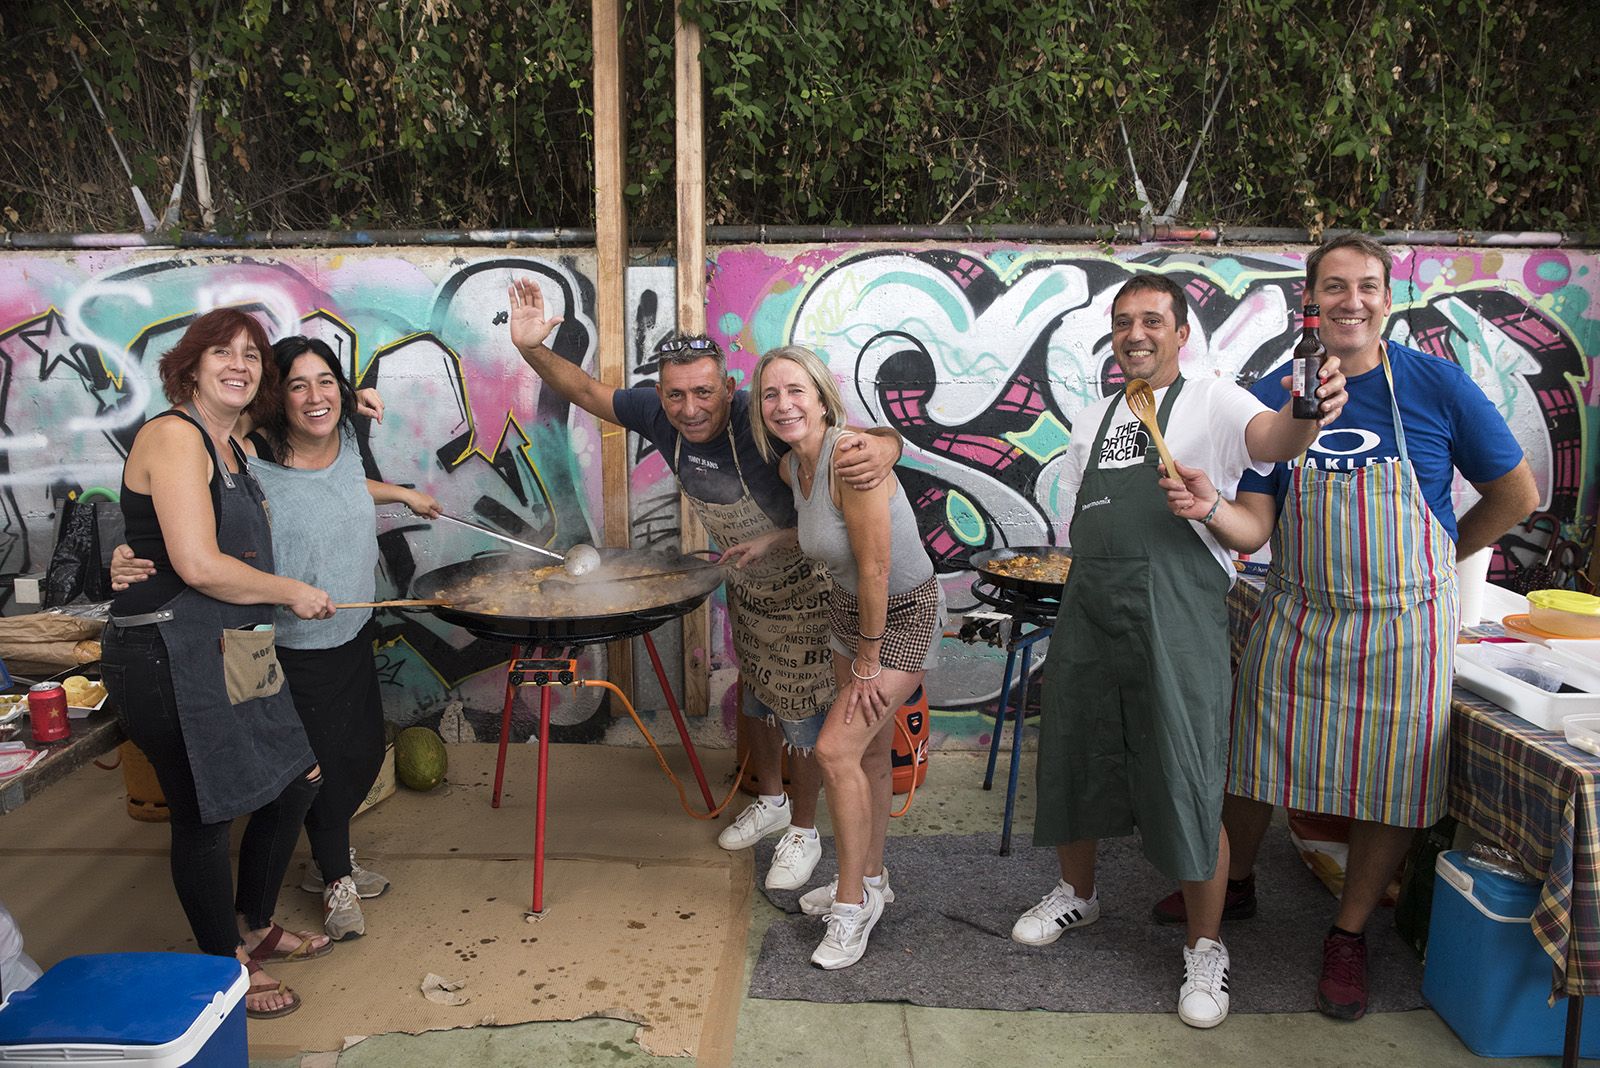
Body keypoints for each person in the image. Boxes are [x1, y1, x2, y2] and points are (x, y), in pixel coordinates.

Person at [1153, 234, 1538, 1020]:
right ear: (1311, 302)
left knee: (1392, 785)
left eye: (1366, 286)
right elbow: (1256, 522)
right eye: (1334, 287)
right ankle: (1234, 884)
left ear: (1387, 299)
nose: (1351, 301)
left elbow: (1516, 496)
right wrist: (1208, 508)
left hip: (1408, 624)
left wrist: (1440, 551)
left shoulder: (1437, 385)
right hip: (1300, 609)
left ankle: (1350, 933)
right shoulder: (1273, 390)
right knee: (1249, 761)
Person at [1012, 272, 1348, 1030]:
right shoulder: (1091, 418)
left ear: (1181, 332)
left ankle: (1205, 944)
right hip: (1093, 606)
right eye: (1124, 321)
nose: (1136, 333)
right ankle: (1078, 895)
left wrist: (1310, 410)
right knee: (1076, 749)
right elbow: (1090, 518)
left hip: (1179, 611)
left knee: (1190, 772)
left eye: (1152, 321)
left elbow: (1277, 439)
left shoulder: (1215, 399)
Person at [505, 279, 900, 894]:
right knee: (760, 695)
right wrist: (531, 350)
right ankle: (769, 800)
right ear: (658, 394)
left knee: (804, 708)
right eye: (676, 395)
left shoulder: (762, 420)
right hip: (747, 578)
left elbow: (851, 439)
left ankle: (803, 827)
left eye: (704, 393)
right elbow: (582, 389)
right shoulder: (653, 412)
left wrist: (888, 448)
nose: (690, 409)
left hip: (809, 585)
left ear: (729, 389)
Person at [113, 336, 441, 942]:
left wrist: (398, 492)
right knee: (312, 770)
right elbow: (183, 522)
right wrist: (131, 551)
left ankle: (319, 869)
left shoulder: (345, 436)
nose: (315, 397)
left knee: (359, 754)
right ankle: (333, 876)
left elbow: (338, 488)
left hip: (350, 627)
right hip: (284, 640)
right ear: (276, 396)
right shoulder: (247, 448)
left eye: (326, 382)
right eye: (297, 384)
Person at [99, 308, 337, 1021]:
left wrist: (358, 401)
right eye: (223, 352)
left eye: (253, 355)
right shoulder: (175, 436)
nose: (240, 364)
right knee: (203, 813)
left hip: (235, 643)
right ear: (191, 365)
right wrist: (292, 592)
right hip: (168, 650)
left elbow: (322, 411)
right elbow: (198, 564)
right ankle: (219, 963)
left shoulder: (233, 444)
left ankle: (255, 922)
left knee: (299, 778)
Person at [750, 344, 943, 970]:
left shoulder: (851, 459)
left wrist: (866, 658)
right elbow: (826, 535)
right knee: (868, 755)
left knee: (834, 751)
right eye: (771, 395)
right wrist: (772, 539)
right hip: (849, 610)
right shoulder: (792, 469)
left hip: (900, 612)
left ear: (821, 396)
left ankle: (852, 905)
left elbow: (879, 568)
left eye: (795, 391)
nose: (784, 405)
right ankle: (875, 879)